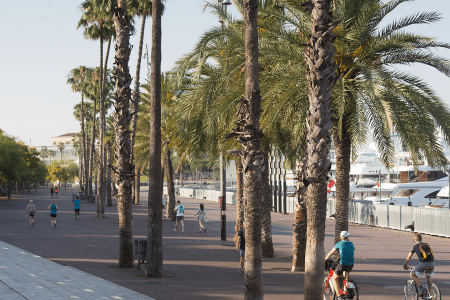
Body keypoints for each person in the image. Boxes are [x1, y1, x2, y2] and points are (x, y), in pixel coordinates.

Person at [325, 231, 355, 299]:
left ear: (341, 237)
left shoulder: (339, 243)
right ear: (347, 237)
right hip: (351, 264)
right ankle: (346, 289)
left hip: (343, 264)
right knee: (345, 273)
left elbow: (331, 252)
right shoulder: (351, 243)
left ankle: (339, 296)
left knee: (334, 278)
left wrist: (325, 259)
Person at [404, 233, 435, 297]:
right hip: (432, 263)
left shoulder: (415, 246)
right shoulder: (427, 245)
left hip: (423, 264)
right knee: (428, 278)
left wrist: (405, 264)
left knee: (413, 274)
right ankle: (430, 293)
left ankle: (422, 288)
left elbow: (409, 256)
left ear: (415, 240)